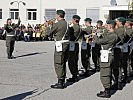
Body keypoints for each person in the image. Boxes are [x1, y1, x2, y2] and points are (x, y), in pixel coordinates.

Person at [93, 20, 117, 98]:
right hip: (107, 54)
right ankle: (107, 89)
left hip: (107, 55)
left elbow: (99, 42)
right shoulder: (111, 34)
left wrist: (95, 35)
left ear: (110, 26)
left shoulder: (112, 35)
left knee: (105, 73)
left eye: (107, 25)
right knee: (107, 72)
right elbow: (104, 39)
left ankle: (107, 92)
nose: (105, 26)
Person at [46, 10, 69, 89]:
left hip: (60, 44)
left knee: (58, 63)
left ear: (58, 15)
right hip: (66, 44)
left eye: (56, 15)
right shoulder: (66, 23)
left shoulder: (57, 24)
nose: (55, 16)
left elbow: (48, 33)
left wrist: (48, 26)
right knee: (63, 62)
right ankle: (62, 79)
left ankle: (60, 82)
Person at [112, 17, 126, 90]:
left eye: (117, 21)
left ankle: (118, 83)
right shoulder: (122, 29)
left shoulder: (119, 30)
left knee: (116, 66)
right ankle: (118, 82)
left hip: (117, 49)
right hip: (120, 49)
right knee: (118, 66)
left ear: (120, 22)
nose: (116, 22)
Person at [67, 15, 81, 82]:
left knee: (71, 61)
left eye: (72, 19)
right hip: (76, 44)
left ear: (74, 20)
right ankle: (75, 75)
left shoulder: (74, 27)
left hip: (72, 44)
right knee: (75, 60)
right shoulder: (79, 27)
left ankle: (74, 75)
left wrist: (68, 27)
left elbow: (68, 33)